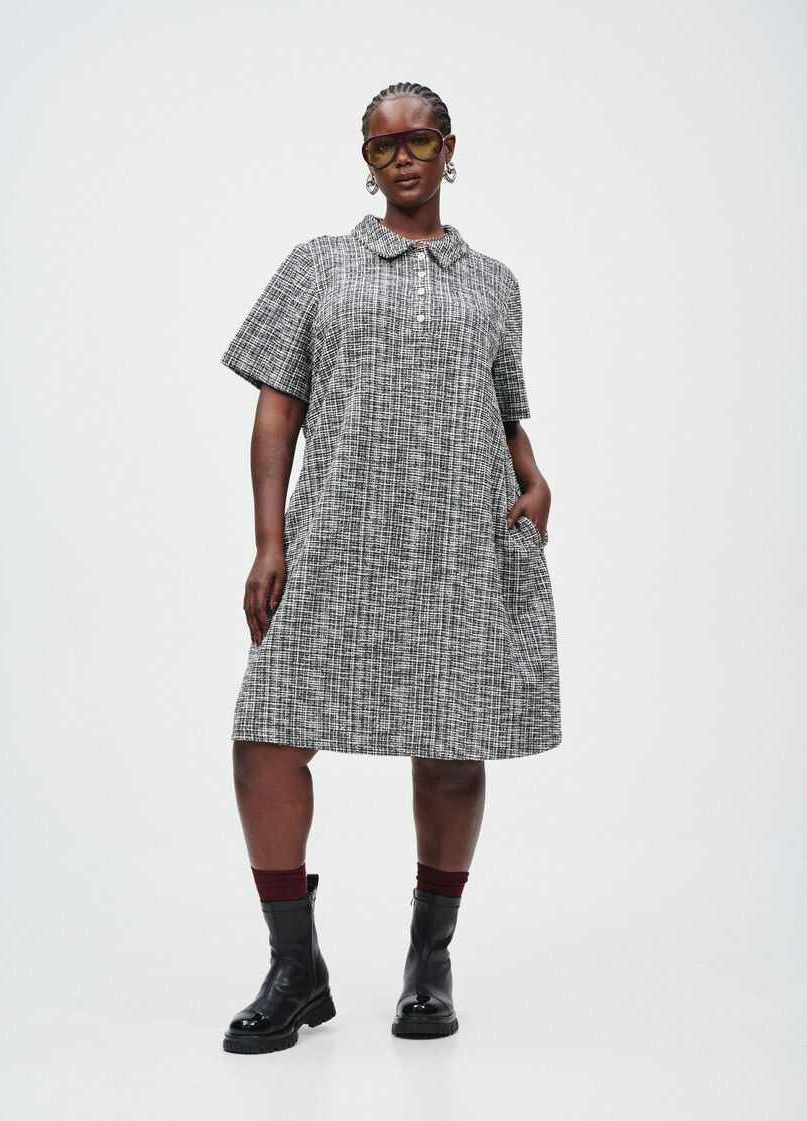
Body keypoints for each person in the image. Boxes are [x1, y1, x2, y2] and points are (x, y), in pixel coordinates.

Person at [218, 81, 562, 1054]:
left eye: (418, 140)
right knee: (265, 736)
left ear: (448, 148)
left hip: (459, 539)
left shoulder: (493, 282)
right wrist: (270, 539)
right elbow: (277, 406)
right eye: (382, 145)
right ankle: (296, 968)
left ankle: (428, 962)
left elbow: (502, 409)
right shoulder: (318, 265)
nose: (402, 156)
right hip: (337, 538)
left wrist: (535, 478)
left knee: (451, 747)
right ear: (366, 161)